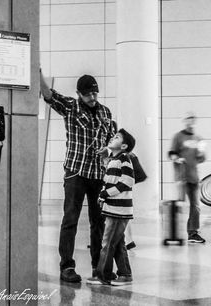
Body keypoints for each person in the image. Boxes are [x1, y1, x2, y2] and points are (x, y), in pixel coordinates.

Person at [40, 70, 116, 282]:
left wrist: (108, 151)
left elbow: (112, 141)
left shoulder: (106, 113)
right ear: (79, 94)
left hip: (98, 174)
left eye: (94, 93)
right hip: (75, 172)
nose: (92, 98)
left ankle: (98, 267)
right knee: (70, 219)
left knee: (98, 222)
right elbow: (48, 95)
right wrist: (38, 73)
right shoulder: (71, 107)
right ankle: (67, 267)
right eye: (87, 94)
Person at [86, 128, 135, 286]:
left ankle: (103, 275)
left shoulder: (124, 159)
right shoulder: (114, 160)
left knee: (107, 243)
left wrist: (106, 194)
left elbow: (127, 181)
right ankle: (125, 274)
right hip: (113, 208)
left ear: (123, 146)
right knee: (118, 243)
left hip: (119, 210)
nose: (112, 138)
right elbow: (109, 179)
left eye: (117, 137)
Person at [168, 112, 206, 243]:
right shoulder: (178, 137)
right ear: (185, 121)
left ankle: (193, 233)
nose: (191, 121)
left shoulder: (199, 138)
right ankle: (174, 233)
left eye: (193, 119)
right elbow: (172, 153)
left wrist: (201, 153)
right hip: (181, 176)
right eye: (189, 119)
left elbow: (201, 158)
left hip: (194, 176)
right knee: (179, 204)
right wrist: (177, 159)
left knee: (195, 205)